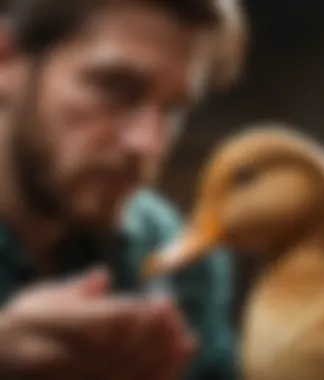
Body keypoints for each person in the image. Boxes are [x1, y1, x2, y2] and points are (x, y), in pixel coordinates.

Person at [0, 0, 247, 379]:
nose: (147, 145)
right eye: (114, 87)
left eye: (174, 110)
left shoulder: (180, 259)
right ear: (6, 60)